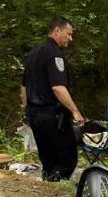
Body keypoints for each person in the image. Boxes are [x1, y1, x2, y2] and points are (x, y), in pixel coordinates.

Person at [20, 17, 85, 181]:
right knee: (67, 158)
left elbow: (23, 88)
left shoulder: (34, 53)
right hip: (52, 116)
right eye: (68, 34)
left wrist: (27, 111)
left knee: (48, 158)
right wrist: (75, 111)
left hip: (35, 115)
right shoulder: (55, 54)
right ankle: (56, 187)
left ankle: (48, 187)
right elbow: (58, 88)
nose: (70, 38)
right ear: (57, 31)